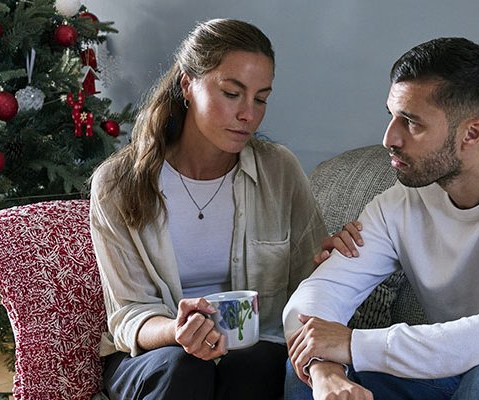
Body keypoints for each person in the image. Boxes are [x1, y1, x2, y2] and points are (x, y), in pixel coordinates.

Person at [89, 18, 329, 400]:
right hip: (156, 356)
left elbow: (312, 280)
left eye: (261, 98)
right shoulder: (118, 184)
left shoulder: (278, 170)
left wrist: (339, 258)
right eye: (232, 93)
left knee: (255, 363)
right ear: (187, 83)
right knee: (184, 366)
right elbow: (129, 313)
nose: (249, 114)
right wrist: (176, 331)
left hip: (253, 353)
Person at [283, 37, 479, 400]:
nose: (388, 138)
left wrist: (354, 344)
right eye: (392, 116)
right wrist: (325, 368)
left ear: (471, 133)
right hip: (444, 375)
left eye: (411, 123)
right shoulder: (397, 205)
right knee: (301, 364)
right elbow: (317, 296)